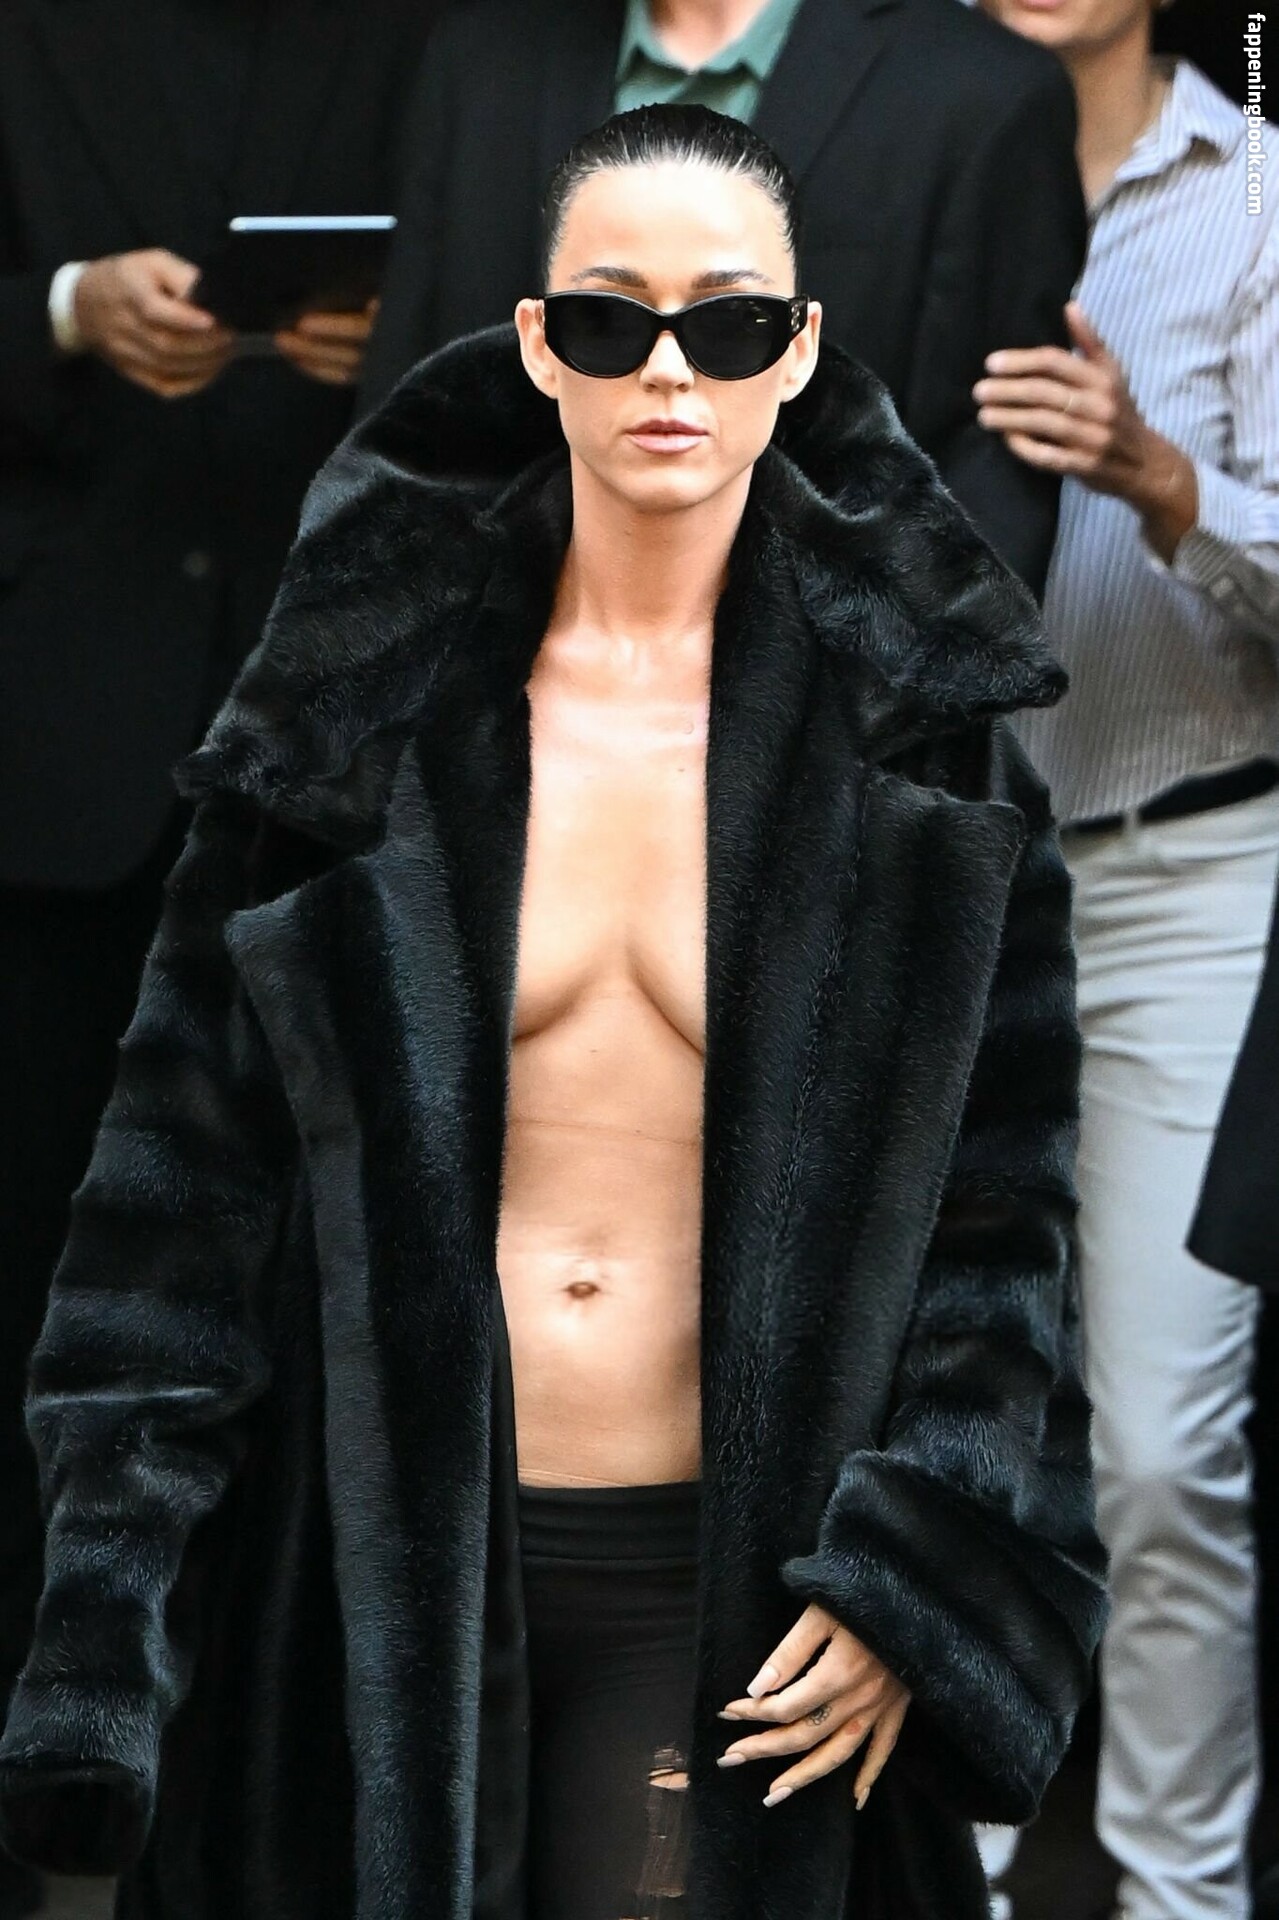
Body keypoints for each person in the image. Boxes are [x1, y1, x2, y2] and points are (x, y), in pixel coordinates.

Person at [0, 107, 1106, 1920]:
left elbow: (1004, 1222)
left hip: (740, 1597)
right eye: (609, 320)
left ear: (798, 351)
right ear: (534, 344)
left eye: (726, 324)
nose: (668, 372)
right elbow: (176, 1193)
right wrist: (105, 1629)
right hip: (363, 1586)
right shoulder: (347, 720)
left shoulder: (927, 760)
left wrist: (918, 1566)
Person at [0, 7, 438, 1911]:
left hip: (343, 758)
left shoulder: (428, 35)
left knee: (333, 1309)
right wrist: (62, 312)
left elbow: (537, 328)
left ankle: (272, 1816)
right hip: (53, 764)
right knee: (33, 1297)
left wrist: (401, 346)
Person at [973, 2, 1279, 1916]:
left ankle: (1175, 1895)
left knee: (1158, 1451)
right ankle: (952, 1871)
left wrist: (1163, 481)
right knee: (943, 1427)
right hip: (940, 882)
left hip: (1187, 864)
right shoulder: (900, 146)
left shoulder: (1252, 195)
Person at [359, 0, 1088, 600]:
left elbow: (992, 467)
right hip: (489, 667)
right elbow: (406, 406)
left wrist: (874, 702)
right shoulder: (481, 57)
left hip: (831, 685)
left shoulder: (980, 89)